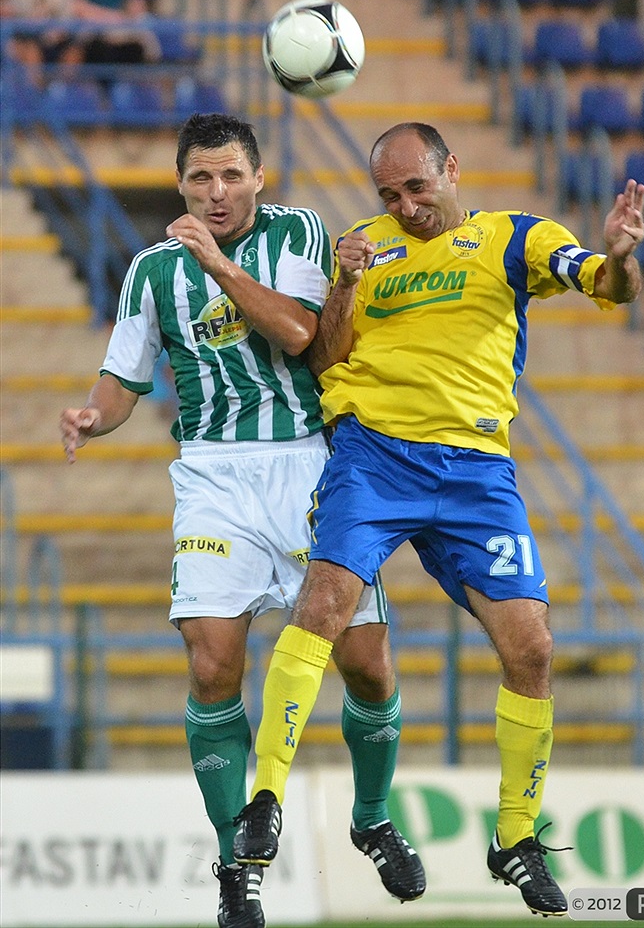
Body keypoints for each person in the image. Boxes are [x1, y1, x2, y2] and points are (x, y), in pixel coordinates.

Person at [230, 122, 644, 918]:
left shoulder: (513, 238)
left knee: (532, 646)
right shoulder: (364, 246)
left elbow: (606, 284)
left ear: (452, 169)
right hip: (373, 457)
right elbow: (323, 359)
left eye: (417, 187)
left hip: (475, 471)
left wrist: (621, 257)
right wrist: (343, 285)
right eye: (389, 194)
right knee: (320, 606)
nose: (405, 206)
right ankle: (265, 799)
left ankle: (516, 837)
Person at [59, 113, 425, 928]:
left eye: (231, 176)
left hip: (306, 465)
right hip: (213, 476)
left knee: (367, 666)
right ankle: (237, 860)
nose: (216, 193)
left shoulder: (295, 230)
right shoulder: (153, 271)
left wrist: (218, 264)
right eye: (199, 179)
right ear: (180, 184)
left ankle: (371, 817)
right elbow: (124, 376)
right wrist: (93, 415)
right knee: (212, 664)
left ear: (259, 177)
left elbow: (301, 335)